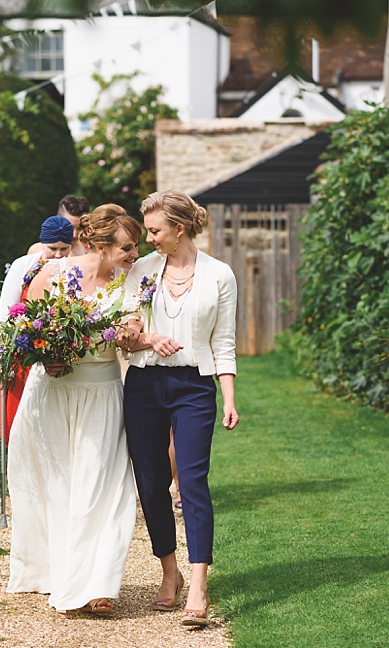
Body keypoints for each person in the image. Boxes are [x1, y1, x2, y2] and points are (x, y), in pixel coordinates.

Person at [7, 204, 142, 614]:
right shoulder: (52, 274)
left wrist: (135, 334)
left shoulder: (130, 281)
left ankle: (97, 584)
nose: (134, 255)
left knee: (102, 487)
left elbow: (134, 326)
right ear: (99, 245)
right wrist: (44, 354)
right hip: (51, 391)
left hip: (102, 394)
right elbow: (22, 328)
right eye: (127, 248)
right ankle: (57, 571)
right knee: (56, 482)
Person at [120, 190, 239, 628]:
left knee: (191, 482)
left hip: (194, 386)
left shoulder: (219, 275)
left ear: (179, 228)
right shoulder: (142, 271)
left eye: (154, 231)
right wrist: (144, 335)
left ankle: (199, 584)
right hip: (145, 385)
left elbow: (223, 342)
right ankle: (169, 573)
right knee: (151, 484)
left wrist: (228, 397)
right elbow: (126, 331)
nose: (147, 239)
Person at [0, 215, 75, 441]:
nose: (59, 255)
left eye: (65, 248)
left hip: (59, 357)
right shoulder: (24, 265)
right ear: (43, 243)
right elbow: (6, 313)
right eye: (53, 248)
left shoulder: (73, 267)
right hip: (24, 352)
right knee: (19, 427)